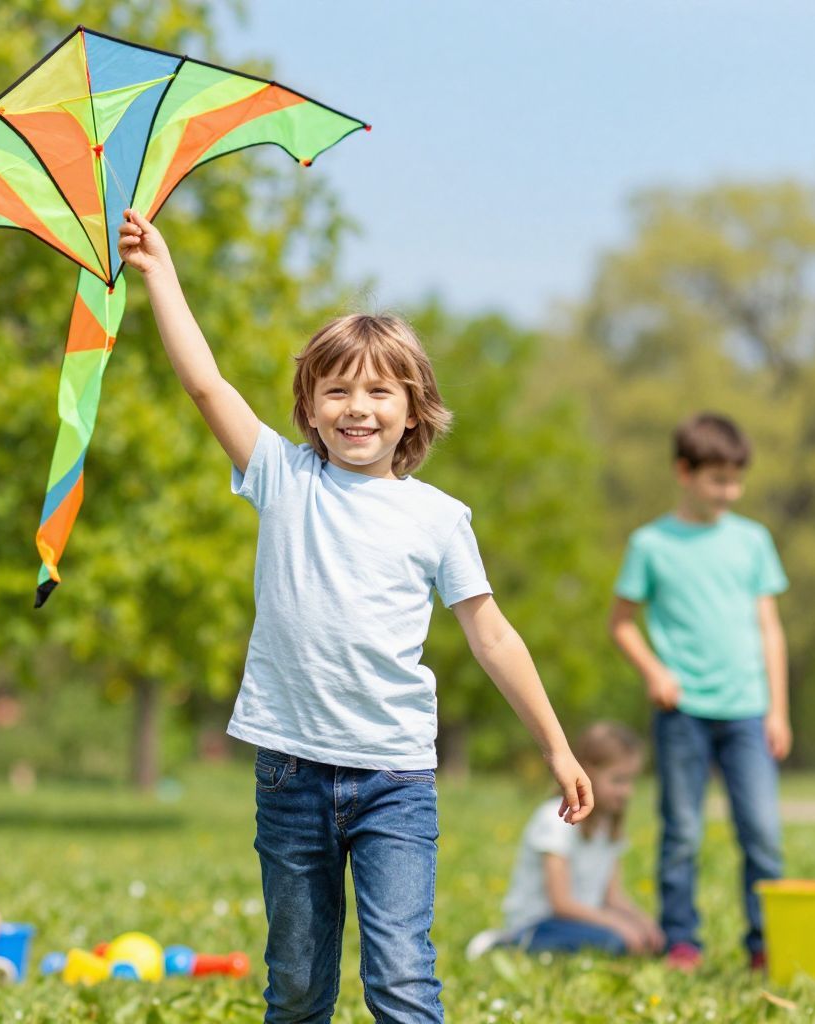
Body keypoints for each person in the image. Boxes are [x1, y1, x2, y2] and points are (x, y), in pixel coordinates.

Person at [117, 208, 593, 1023]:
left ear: (414, 409)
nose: (356, 407)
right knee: (298, 982)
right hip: (291, 770)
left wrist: (556, 744)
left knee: (402, 976)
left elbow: (492, 634)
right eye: (335, 389)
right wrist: (160, 273)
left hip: (395, 778)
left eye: (379, 390)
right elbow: (206, 383)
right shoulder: (282, 478)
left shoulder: (439, 518)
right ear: (308, 406)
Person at [606, 412, 789, 972]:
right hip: (682, 710)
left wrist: (778, 709)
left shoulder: (752, 540)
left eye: (736, 480)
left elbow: (770, 628)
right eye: (717, 480)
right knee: (682, 829)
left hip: (748, 709)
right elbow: (621, 623)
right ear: (683, 472)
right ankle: (682, 938)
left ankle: (765, 942)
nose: (728, 492)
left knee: (761, 829)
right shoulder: (651, 543)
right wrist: (655, 672)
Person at [466, 721, 664, 960]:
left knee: (647, 940)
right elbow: (561, 903)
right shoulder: (556, 820)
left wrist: (643, 923)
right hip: (541, 923)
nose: (628, 791)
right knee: (614, 942)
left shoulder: (608, 825)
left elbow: (612, 897)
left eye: (631, 781)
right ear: (587, 773)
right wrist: (616, 924)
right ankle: (507, 944)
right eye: (618, 780)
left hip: (581, 921)